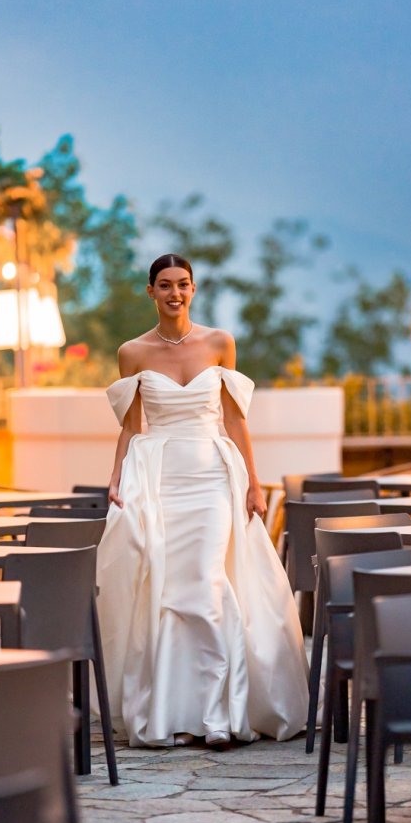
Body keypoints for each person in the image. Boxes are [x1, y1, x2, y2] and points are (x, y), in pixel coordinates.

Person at [96, 253, 309, 748]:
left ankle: (219, 712)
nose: (175, 293)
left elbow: (235, 420)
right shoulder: (132, 352)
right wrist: (116, 479)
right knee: (166, 586)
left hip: (212, 474)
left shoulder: (220, 343)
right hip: (159, 476)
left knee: (208, 582)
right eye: (165, 285)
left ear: (194, 289)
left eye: (184, 285)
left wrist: (254, 482)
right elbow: (130, 425)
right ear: (150, 291)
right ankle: (169, 711)